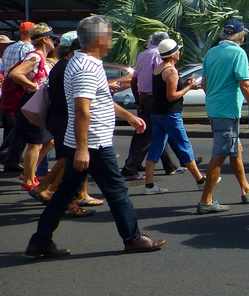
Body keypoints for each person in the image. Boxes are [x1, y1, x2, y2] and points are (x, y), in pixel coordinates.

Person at [25, 15, 167, 258]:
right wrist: (82, 149)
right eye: (110, 34)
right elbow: (82, 108)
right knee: (117, 190)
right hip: (93, 142)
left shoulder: (84, 62)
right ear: (99, 38)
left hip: (84, 140)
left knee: (65, 193)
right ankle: (132, 238)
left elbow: (101, 100)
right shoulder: (86, 66)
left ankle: (40, 240)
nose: (112, 39)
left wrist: (129, 117)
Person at [198, 19, 249, 214]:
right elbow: (245, 84)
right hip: (227, 110)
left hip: (214, 108)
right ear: (239, 36)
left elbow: (204, 83)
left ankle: (247, 190)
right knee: (219, 156)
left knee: (235, 149)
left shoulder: (211, 52)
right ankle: (206, 200)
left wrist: (214, 97)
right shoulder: (238, 53)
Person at [30, 31, 100, 218]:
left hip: (59, 118)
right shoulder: (71, 67)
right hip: (65, 119)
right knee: (70, 161)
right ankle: (68, 201)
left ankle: (44, 188)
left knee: (66, 159)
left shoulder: (62, 65)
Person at [141, 39, 208, 194]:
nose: (180, 53)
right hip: (170, 115)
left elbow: (165, 88)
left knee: (156, 148)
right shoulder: (170, 71)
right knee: (184, 146)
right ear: (173, 54)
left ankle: (149, 185)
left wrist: (185, 84)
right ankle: (200, 180)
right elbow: (171, 96)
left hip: (157, 113)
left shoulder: (158, 68)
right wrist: (189, 87)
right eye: (178, 50)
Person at [121, 32, 179, 180]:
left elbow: (134, 80)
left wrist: (138, 98)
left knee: (157, 131)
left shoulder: (143, 54)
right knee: (146, 134)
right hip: (154, 98)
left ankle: (169, 165)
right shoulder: (159, 54)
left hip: (144, 97)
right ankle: (130, 167)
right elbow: (160, 79)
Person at [7, 23, 56, 192]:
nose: (54, 42)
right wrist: (33, 86)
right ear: (45, 40)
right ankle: (28, 180)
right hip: (32, 102)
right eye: (52, 38)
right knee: (35, 143)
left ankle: (29, 172)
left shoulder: (41, 57)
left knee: (48, 140)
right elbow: (15, 74)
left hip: (36, 102)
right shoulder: (35, 57)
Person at [0, 21, 35, 172]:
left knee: (12, 125)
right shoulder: (29, 49)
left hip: (9, 90)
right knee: (21, 126)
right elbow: (24, 73)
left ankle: (10, 158)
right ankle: (7, 155)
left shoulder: (9, 49)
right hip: (20, 90)